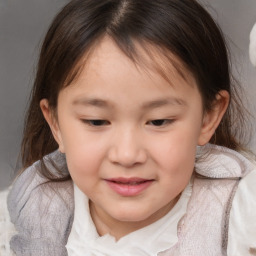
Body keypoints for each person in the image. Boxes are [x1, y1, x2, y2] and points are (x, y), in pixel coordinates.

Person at [6, 0, 256, 255]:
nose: (127, 155)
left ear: (208, 117)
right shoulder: (27, 214)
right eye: (96, 121)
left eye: (159, 121)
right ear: (55, 122)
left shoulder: (242, 222)